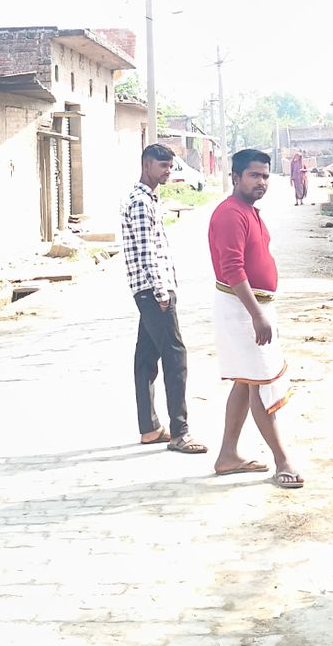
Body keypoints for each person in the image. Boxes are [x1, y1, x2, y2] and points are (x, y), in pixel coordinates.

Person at [208, 149, 303, 488]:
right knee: (261, 384)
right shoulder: (230, 214)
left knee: (246, 381)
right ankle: (282, 460)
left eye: (265, 176)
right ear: (235, 177)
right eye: (253, 175)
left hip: (253, 308)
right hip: (242, 310)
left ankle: (227, 456)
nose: (261, 181)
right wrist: (257, 315)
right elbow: (233, 269)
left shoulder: (248, 211)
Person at [121, 143, 207, 454]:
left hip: (148, 291)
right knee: (175, 357)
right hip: (153, 291)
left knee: (146, 359)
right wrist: (161, 292)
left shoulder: (146, 199)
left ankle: (150, 428)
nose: (168, 171)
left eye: (170, 166)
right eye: (162, 166)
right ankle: (180, 432)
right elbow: (147, 254)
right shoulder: (140, 202)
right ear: (146, 165)